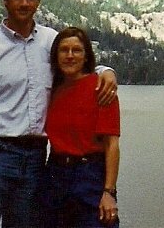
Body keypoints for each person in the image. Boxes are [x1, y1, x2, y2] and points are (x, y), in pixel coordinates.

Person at [0, 0, 118, 228]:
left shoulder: (50, 41)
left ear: (38, 3)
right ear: (5, 2)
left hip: (35, 158)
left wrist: (105, 71)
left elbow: (75, 58)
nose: (24, 3)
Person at [41, 26, 121, 228]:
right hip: (55, 175)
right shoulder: (53, 90)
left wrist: (109, 192)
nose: (70, 55)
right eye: (63, 50)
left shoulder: (101, 88)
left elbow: (112, 145)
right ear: (55, 56)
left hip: (90, 176)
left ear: (86, 56)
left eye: (76, 50)